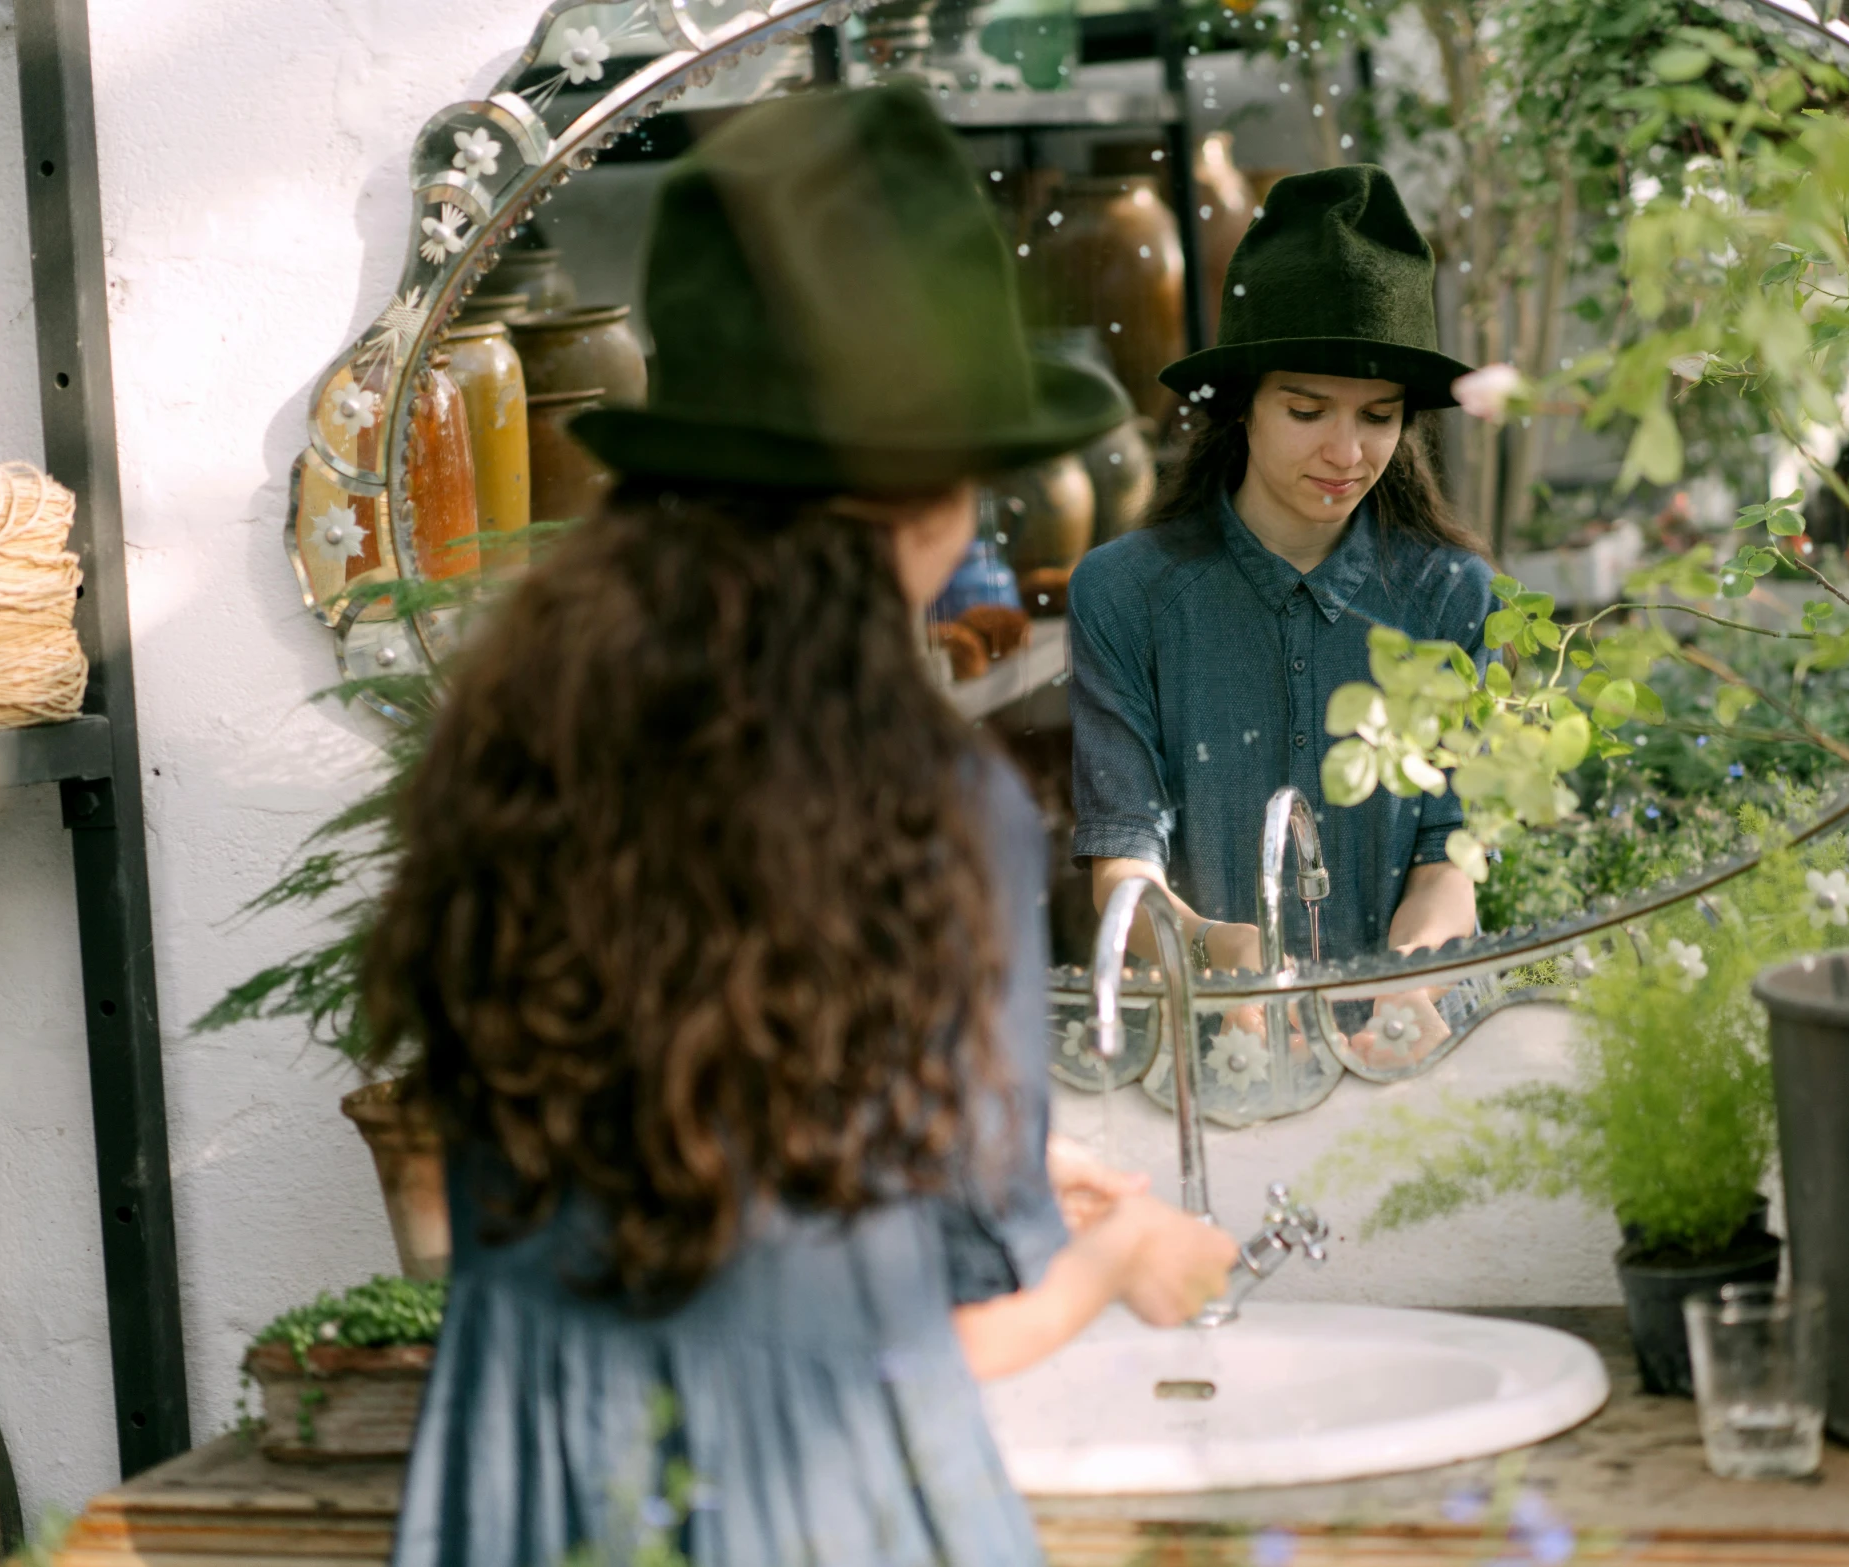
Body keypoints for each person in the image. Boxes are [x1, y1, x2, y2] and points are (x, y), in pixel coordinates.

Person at [362, 86, 1235, 1567]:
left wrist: (991, 1174)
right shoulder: (919, 809)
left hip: (526, 1489)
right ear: (925, 498)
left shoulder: (518, 739)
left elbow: (699, 1165)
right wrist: (1114, 1256)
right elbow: (941, 1333)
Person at [1067, 165, 1494, 1060]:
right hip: (1208, 1052)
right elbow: (1123, 865)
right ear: (1241, 406)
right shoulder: (1126, 594)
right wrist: (1214, 947)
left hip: (1408, 1053)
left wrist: (1405, 977)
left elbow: (1451, 848)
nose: (1347, 452)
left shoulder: (1450, 597)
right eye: (1307, 410)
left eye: (1379, 416)